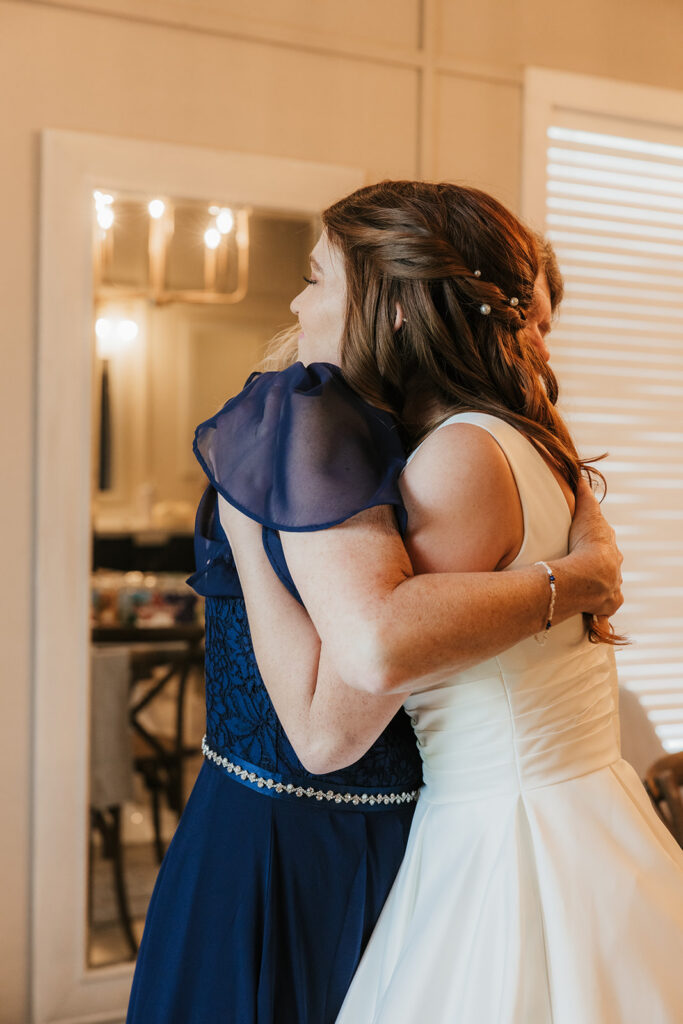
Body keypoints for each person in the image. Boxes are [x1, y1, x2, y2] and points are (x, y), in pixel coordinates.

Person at [126, 182, 623, 1024]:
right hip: (343, 832)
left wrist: (247, 536)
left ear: (391, 308)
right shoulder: (491, 438)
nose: (295, 302)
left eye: (315, 277)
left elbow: (331, 726)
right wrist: (578, 577)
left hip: (329, 839)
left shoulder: (385, 436)